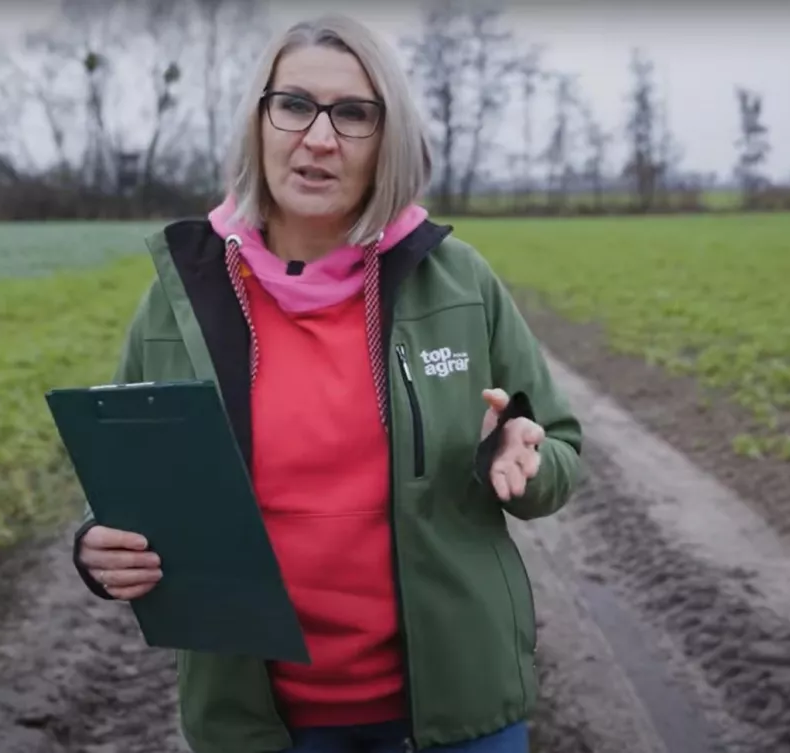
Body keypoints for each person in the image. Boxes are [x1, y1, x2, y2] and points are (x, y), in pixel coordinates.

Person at [71, 13, 583, 753]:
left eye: (353, 114)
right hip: (257, 722)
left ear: (388, 140)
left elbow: (558, 445)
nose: (319, 137)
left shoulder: (458, 281)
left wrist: (523, 460)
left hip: (453, 714)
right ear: (260, 121)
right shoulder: (182, 296)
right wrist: (97, 542)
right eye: (295, 105)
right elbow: (122, 483)